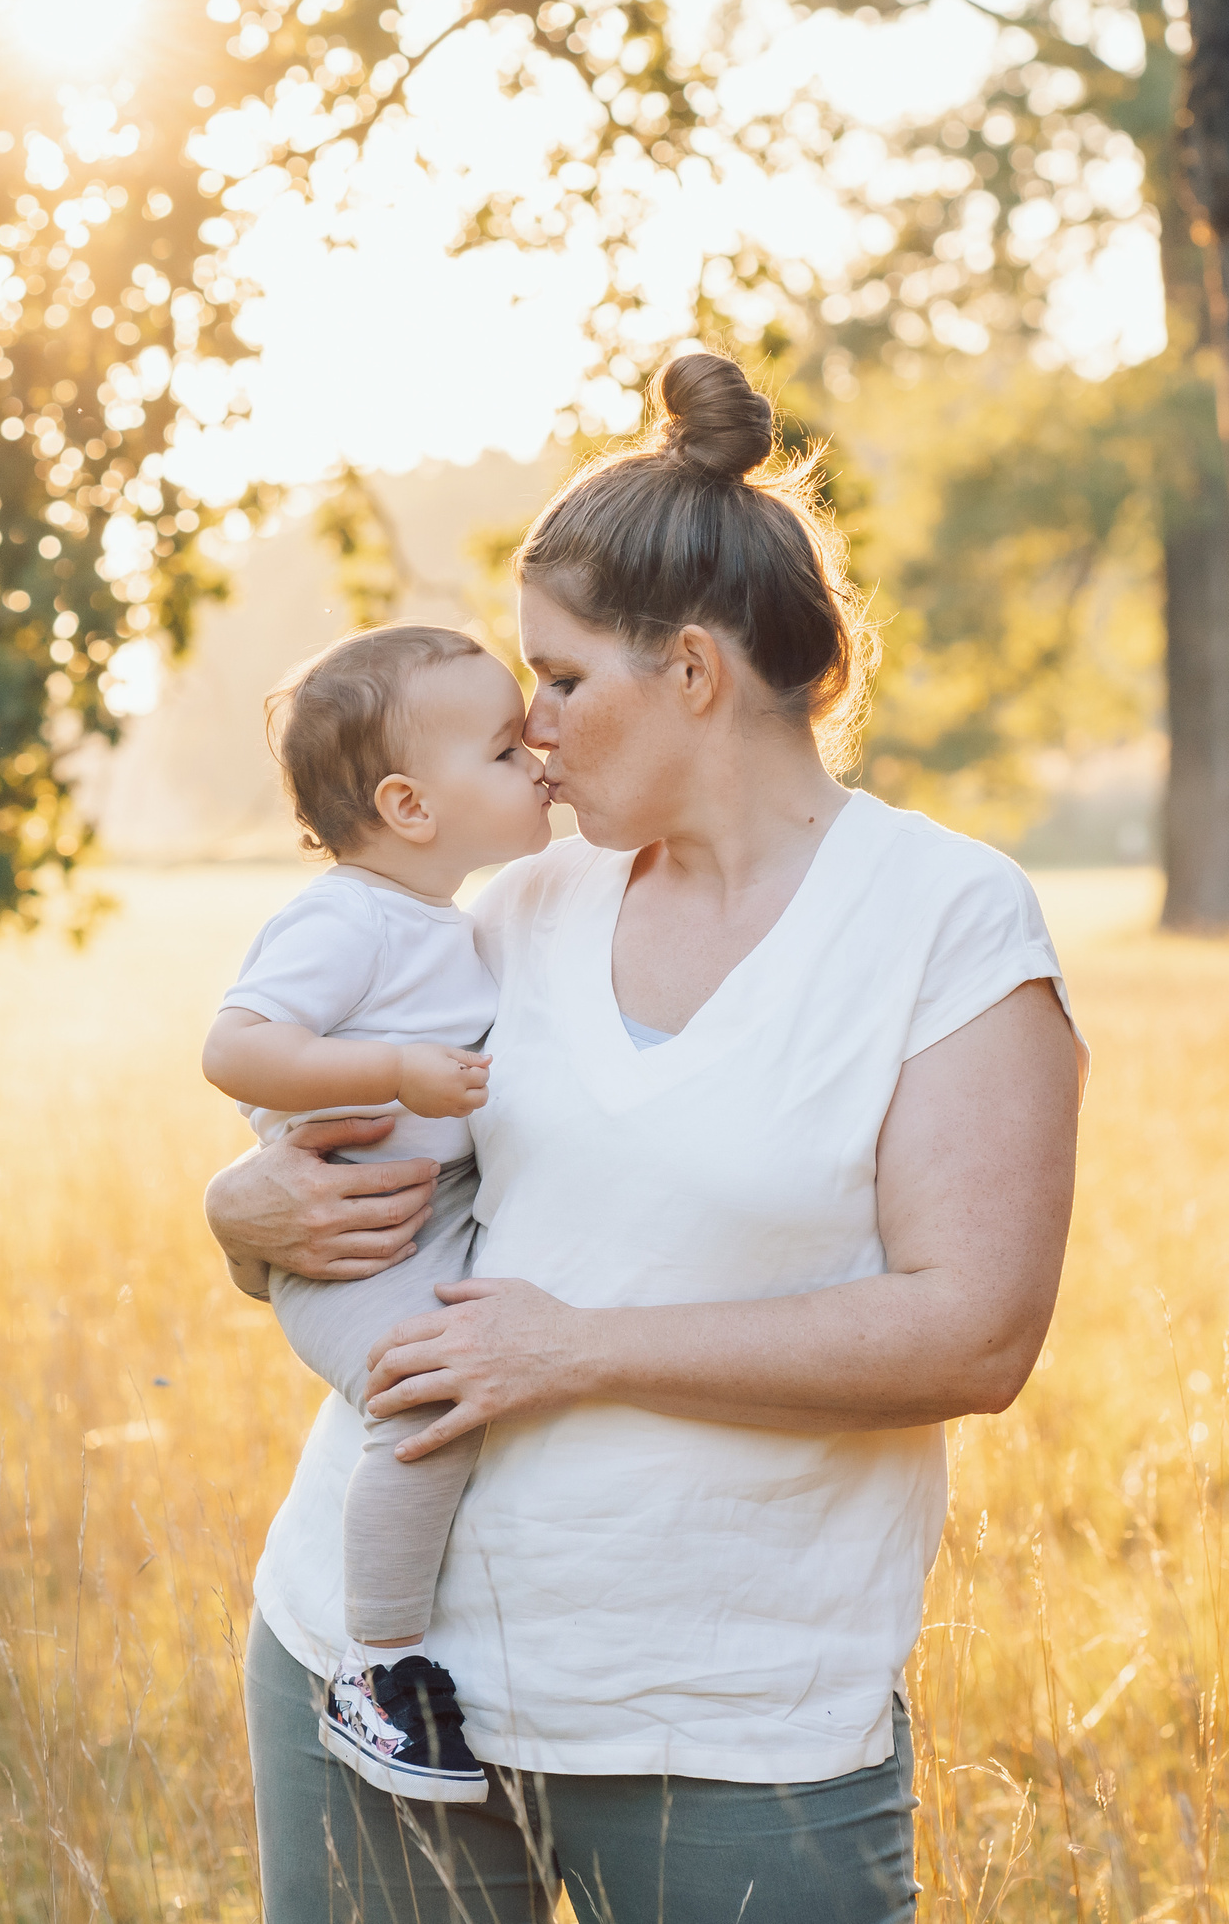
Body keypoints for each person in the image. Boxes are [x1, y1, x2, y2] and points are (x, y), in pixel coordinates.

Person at [203, 351, 1086, 1923]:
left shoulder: (944, 920)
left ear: (691, 673)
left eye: (557, 678)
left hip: (723, 1732)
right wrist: (240, 1207)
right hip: (370, 1677)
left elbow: (975, 1335)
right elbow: (364, 1165)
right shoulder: (521, 904)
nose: (528, 730)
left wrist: (577, 1350)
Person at [200, 622, 551, 1803]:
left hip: (422, 1223)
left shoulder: (446, 920)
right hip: (349, 1255)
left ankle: (384, 1661)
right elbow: (235, 1049)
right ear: (408, 804)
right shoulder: (341, 918)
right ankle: (379, 1665)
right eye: (505, 750)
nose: (539, 756)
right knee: (430, 1391)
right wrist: (393, 1072)